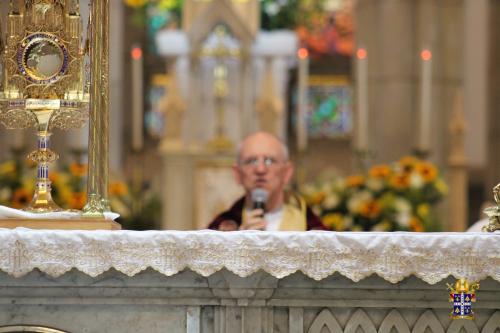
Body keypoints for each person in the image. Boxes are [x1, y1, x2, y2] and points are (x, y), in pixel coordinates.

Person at [208, 131, 326, 231]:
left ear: (287, 173)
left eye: (269, 161)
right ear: (237, 174)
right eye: (251, 161)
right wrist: (239, 243)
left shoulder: (313, 229)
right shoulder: (222, 228)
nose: (260, 169)